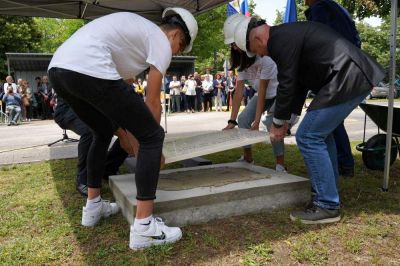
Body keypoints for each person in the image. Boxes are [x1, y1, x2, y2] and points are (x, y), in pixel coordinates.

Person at [48, 8, 198, 249]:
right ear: (175, 34)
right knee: (153, 135)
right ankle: (144, 228)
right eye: (180, 46)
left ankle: (93, 206)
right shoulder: (159, 40)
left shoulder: (136, 37)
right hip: (87, 67)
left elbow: (123, 93)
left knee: (102, 130)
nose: (177, 52)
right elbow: (151, 101)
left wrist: (132, 136)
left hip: (59, 70)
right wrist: (149, 145)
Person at [234, 17, 384, 224]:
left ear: (258, 37)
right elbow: (298, 83)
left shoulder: (279, 41)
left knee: (308, 135)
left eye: (255, 49)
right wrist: (288, 118)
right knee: (321, 134)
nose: (258, 54)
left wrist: (278, 123)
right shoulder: (286, 35)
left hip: (348, 77)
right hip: (348, 75)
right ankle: (329, 191)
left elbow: (287, 83)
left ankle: (327, 204)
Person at [223, 14, 288, 172]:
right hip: (262, 95)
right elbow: (238, 92)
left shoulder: (265, 57)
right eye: (232, 45)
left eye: (235, 44)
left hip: (278, 93)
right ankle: (248, 158)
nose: (234, 48)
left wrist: (258, 120)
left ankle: (280, 164)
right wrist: (232, 121)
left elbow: (264, 89)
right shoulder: (242, 62)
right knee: (243, 119)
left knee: (273, 124)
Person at [305, 0, 361, 177]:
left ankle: (342, 164)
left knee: (320, 127)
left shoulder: (321, 9)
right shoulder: (337, 9)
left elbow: (318, 41)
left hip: (337, 70)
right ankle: (342, 164)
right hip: (348, 66)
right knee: (333, 122)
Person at [54, 95, 128, 197]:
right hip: (70, 109)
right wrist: (119, 131)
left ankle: (109, 167)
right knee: (91, 131)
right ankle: (83, 179)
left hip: (93, 108)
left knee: (130, 128)